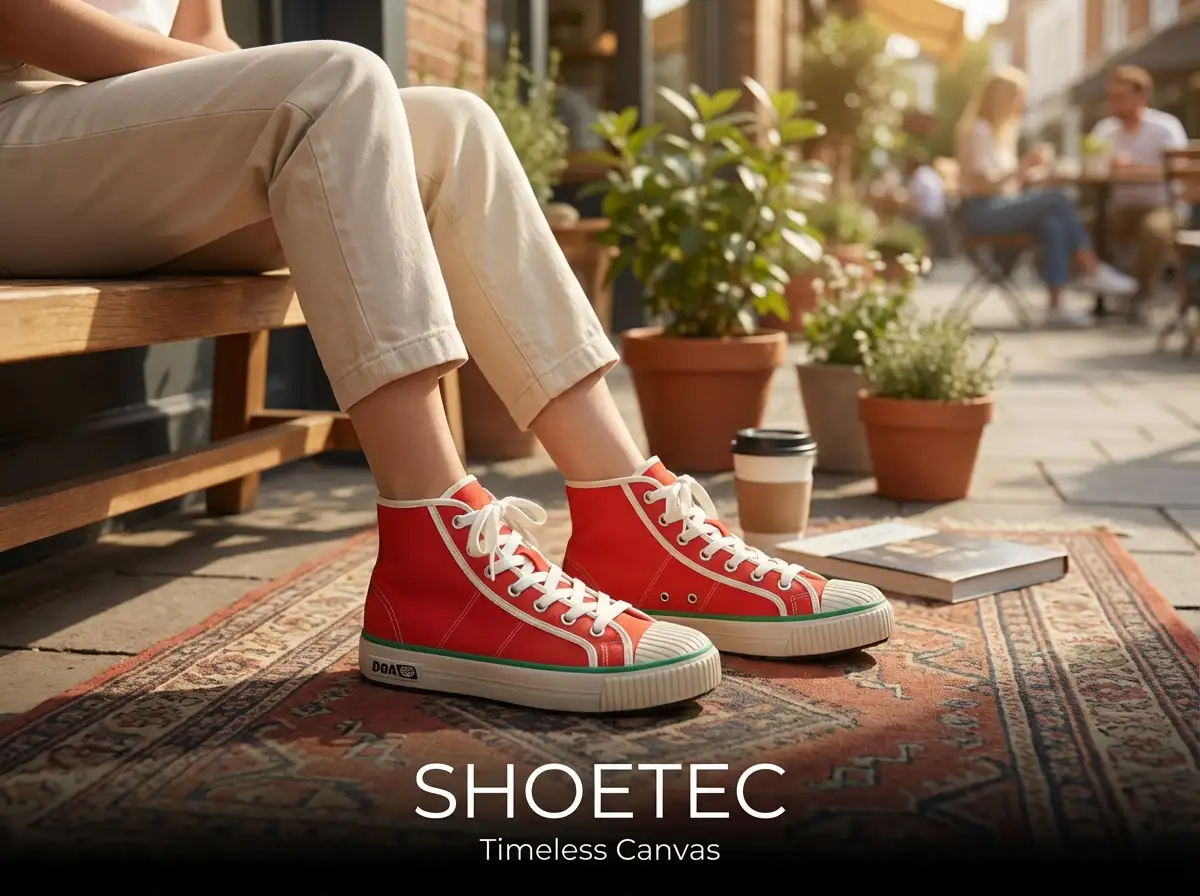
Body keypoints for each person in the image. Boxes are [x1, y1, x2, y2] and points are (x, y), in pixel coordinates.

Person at [0, 0, 894, 714]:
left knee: (452, 123)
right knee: (337, 80)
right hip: (20, 138)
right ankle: (432, 560)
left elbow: (204, 34)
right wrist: (249, 85)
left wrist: (239, 80)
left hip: (139, 150)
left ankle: (628, 519)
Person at [954, 65, 1137, 328]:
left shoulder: (998, 133)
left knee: (1052, 224)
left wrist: (1031, 174)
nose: (1022, 103)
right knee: (1057, 199)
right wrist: (1024, 166)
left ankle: (1056, 306)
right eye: (1018, 97)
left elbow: (1006, 183)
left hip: (998, 205)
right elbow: (982, 183)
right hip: (981, 211)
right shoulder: (978, 130)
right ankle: (1091, 268)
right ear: (1002, 97)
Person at [1088, 66, 1189, 314]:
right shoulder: (1105, 129)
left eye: (1120, 97)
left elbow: (1180, 173)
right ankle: (1103, 293)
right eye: (1111, 97)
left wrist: (1134, 170)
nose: (1113, 103)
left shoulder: (1165, 127)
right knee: (1085, 226)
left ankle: (1139, 294)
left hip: (1163, 205)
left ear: (1141, 97)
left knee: (1154, 231)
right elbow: (1092, 167)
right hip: (1120, 206)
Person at [904, 148, 952, 260]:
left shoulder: (917, 177)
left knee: (906, 225)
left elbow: (913, 202)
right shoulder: (932, 174)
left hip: (926, 217)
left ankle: (916, 256)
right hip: (941, 215)